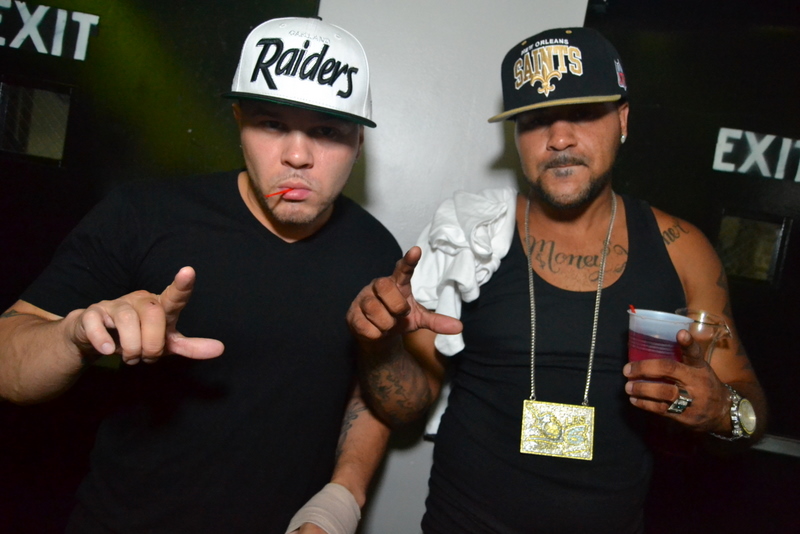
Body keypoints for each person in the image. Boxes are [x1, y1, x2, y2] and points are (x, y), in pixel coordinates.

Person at [347, 27, 767, 533]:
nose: (560, 139)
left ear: (622, 120)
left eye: (584, 114)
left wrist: (722, 410)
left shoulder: (682, 249)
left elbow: (748, 403)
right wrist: (380, 345)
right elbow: (406, 407)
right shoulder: (468, 238)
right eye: (536, 120)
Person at [0, 17, 400, 534]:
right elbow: (8, 366)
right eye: (271, 124)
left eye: (327, 131)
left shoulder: (375, 251)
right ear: (238, 120)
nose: (297, 156)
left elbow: (368, 391)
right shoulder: (142, 215)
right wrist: (74, 334)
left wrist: (342, 499)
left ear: (359, 142)